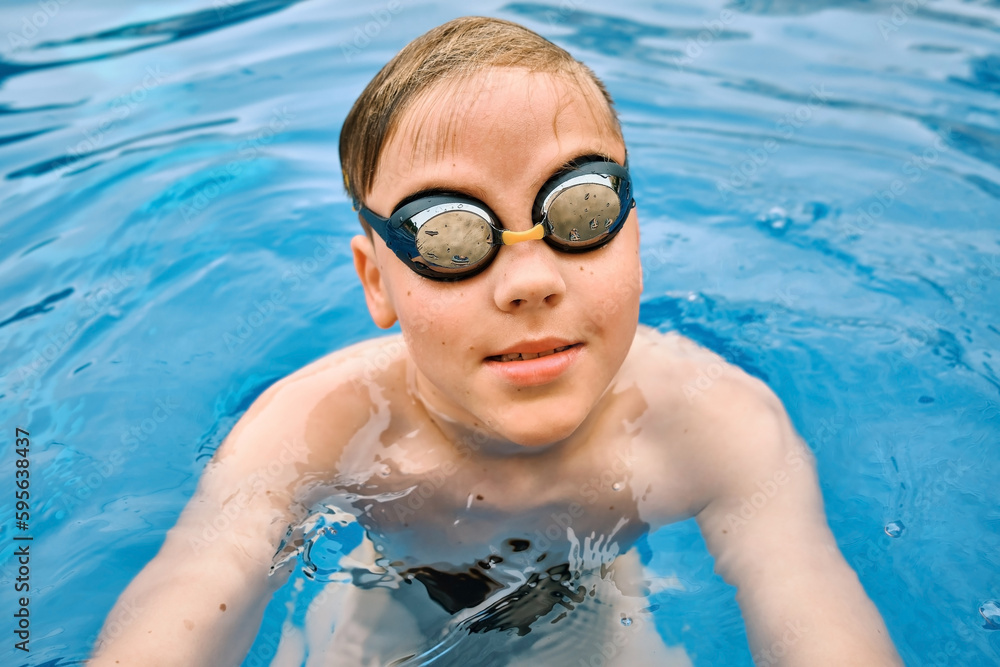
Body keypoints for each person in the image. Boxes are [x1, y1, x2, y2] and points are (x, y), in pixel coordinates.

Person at [90, 16, 903, 667]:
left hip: (599, 602)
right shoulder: (315, 428)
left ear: (635, 235)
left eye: (581, 209)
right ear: (376, 280)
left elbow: (811, 609)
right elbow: (192, 591)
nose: (529, 280)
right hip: (389, 596)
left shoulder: (715, 422)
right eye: (448, 235)